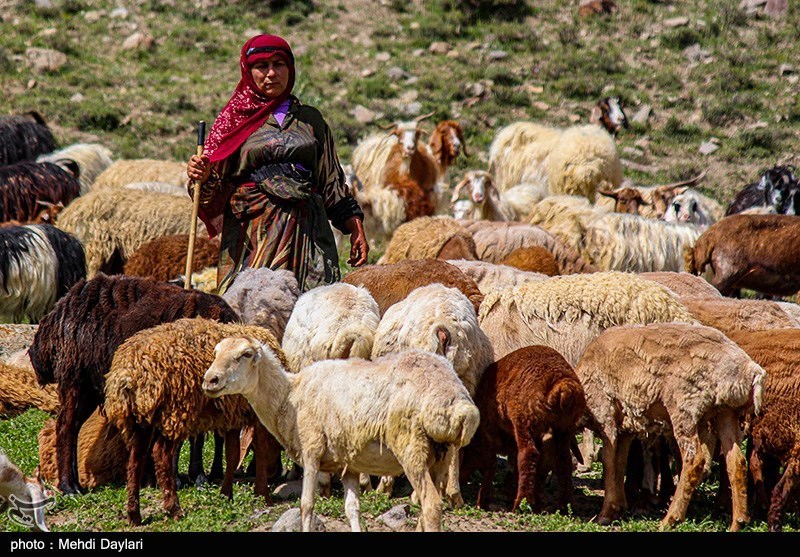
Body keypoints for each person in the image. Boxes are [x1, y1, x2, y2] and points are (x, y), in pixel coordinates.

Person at [187, 33, 369, 294]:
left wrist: (356, 227)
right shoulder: (233, 121)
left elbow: (332, 182)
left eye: (278, 64)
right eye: (262, 66)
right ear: (249, 71)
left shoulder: (310, 120)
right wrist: (200, 176)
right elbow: (206, 194)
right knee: (254, 311)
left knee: (311, 311)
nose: (271, 73)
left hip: (309, 237)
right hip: (254, 238)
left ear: (290, 68)